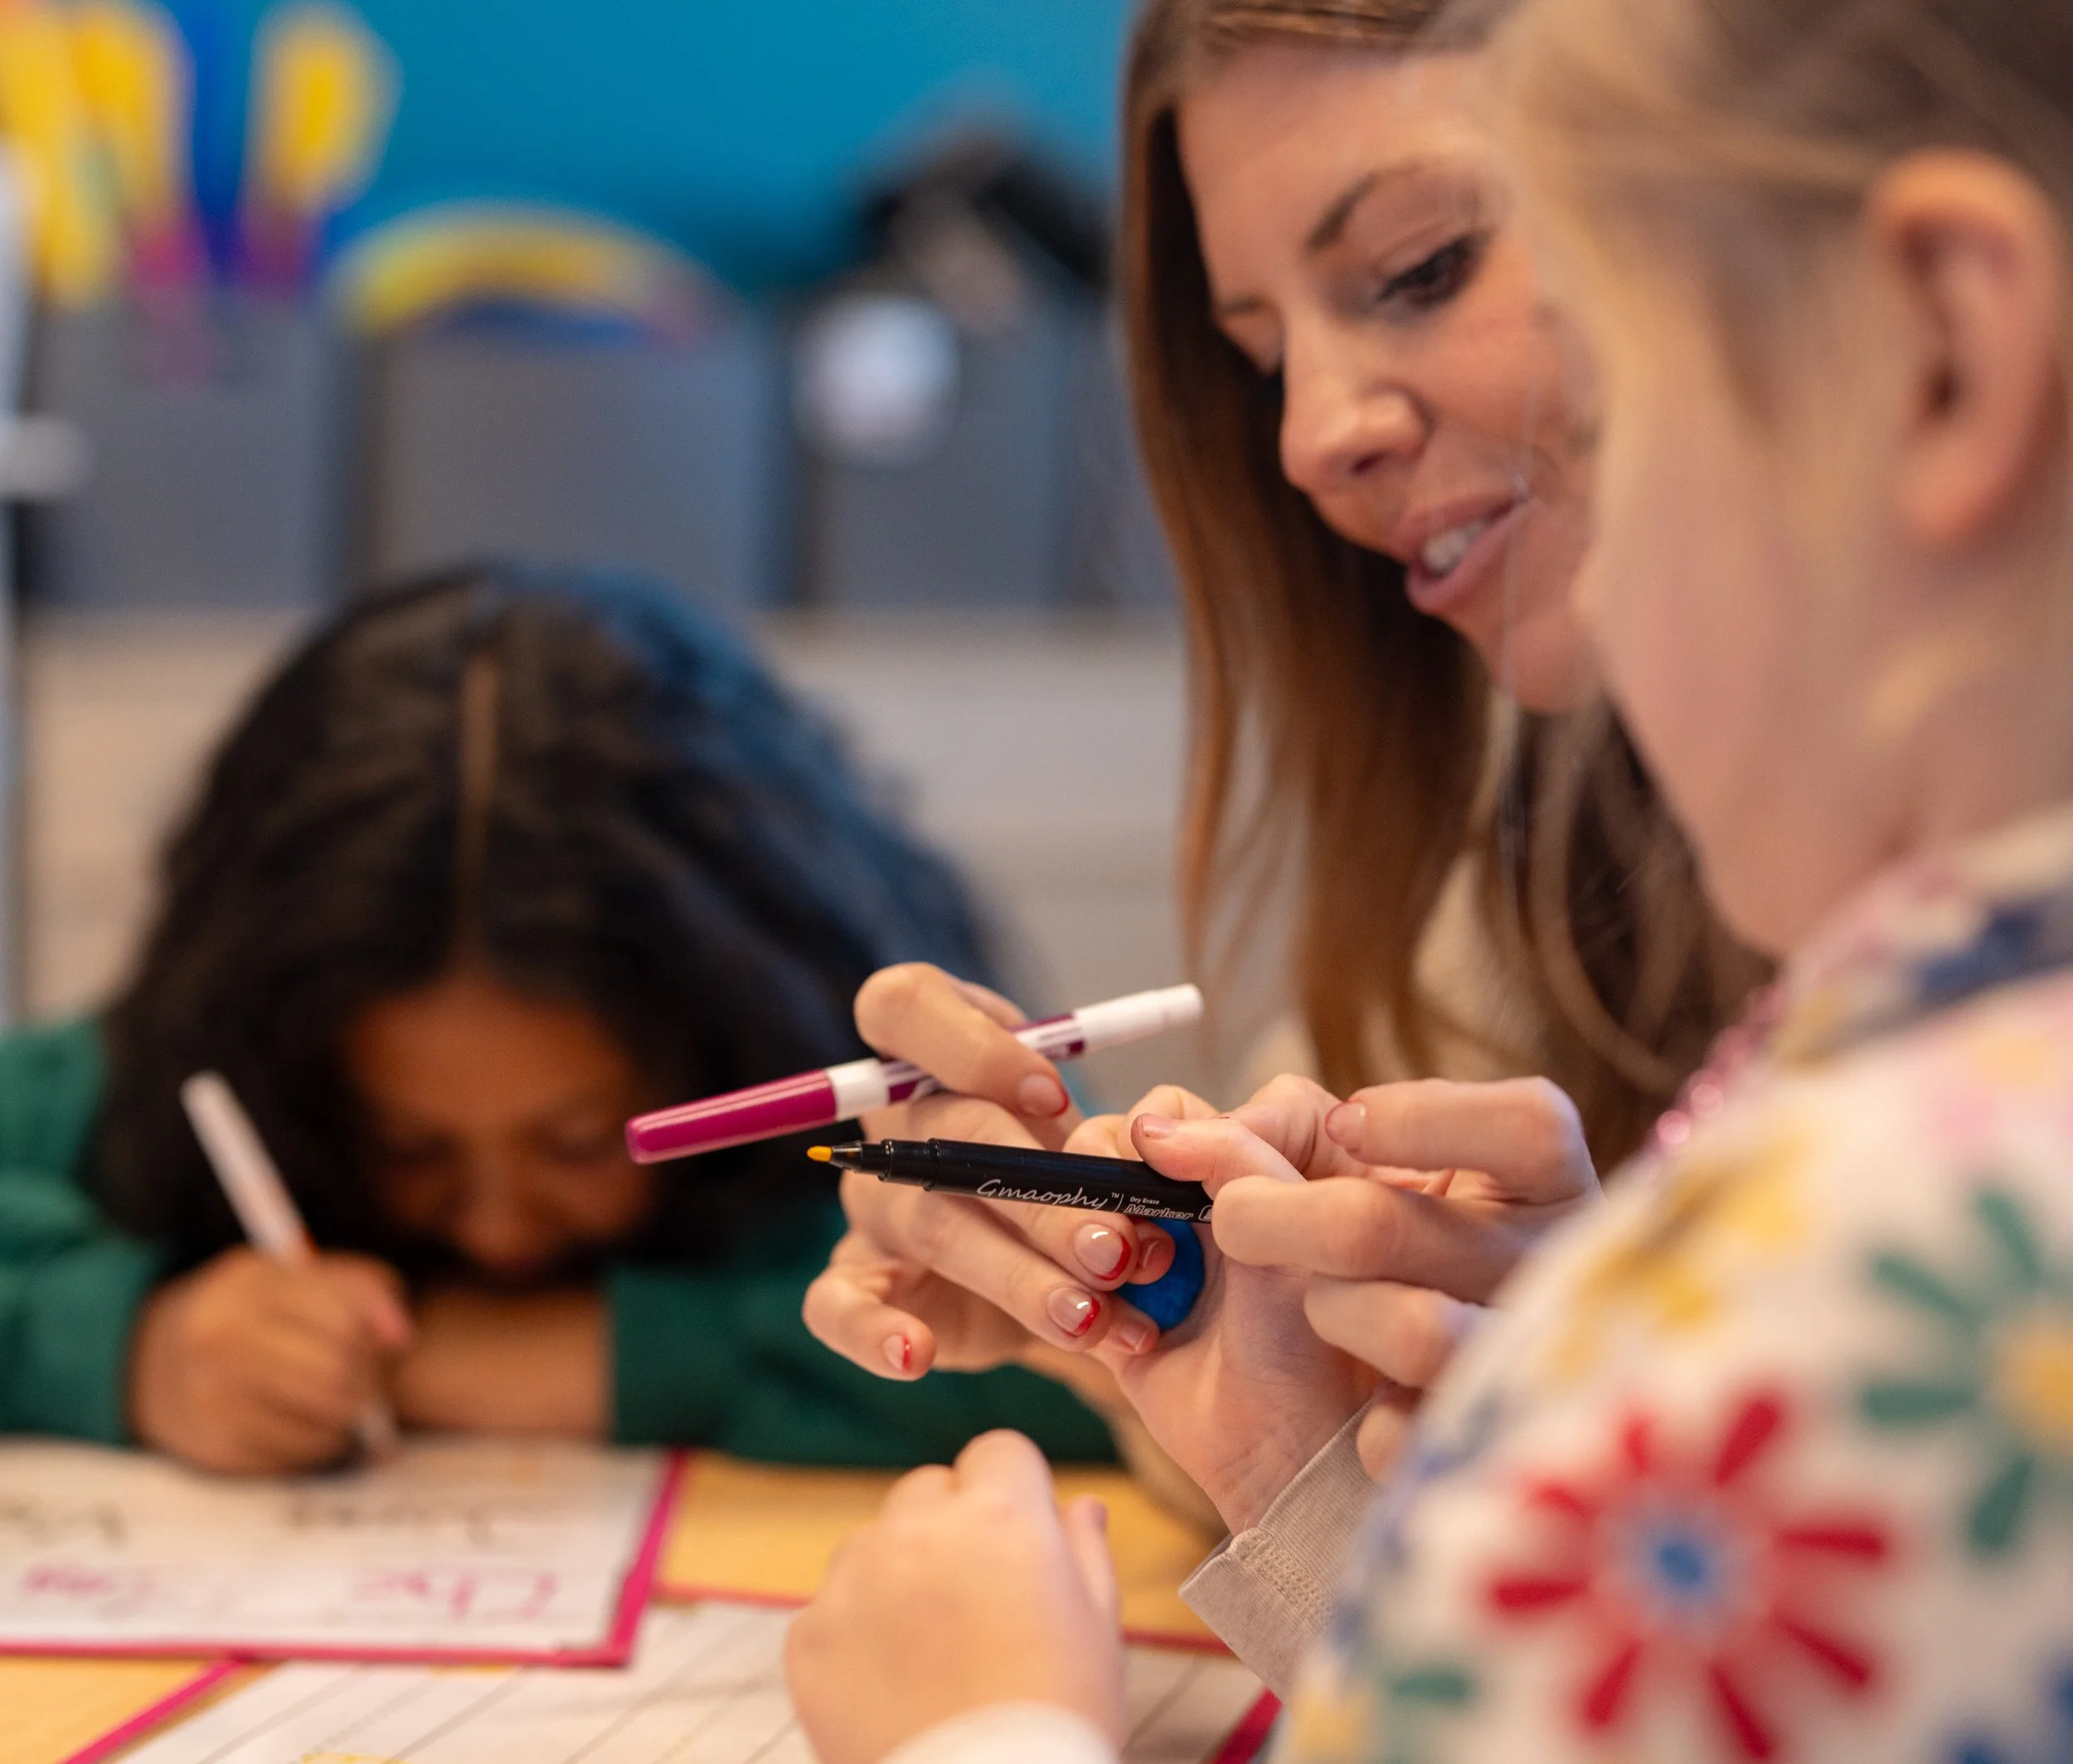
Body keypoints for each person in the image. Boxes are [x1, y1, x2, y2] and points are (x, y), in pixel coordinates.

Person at [787, 0, 2073, 1754]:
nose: (1311, 437)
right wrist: (1299, 1461)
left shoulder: (1885, 1242)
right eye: (1256, 357)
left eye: (1619, 431)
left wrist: (982, 1736)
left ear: (1938, 346)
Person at [0, 565, 1110, 1475]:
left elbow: (1117, 1341)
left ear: (735, 1037)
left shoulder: (846, 1054)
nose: (496, 1228)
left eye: (577, 1142)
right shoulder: (170, 1065)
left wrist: (558, 1355)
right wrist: (129, 1346)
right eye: (407, 1145)